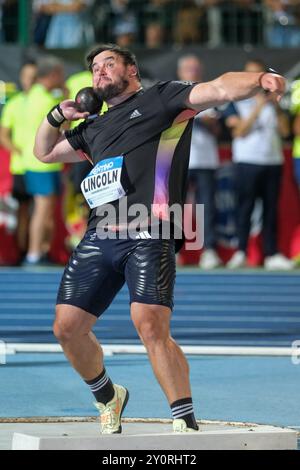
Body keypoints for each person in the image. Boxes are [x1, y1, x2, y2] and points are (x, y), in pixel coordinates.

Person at [34, 44, 285, 434]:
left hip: (151, 229)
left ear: (131, 70)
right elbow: (44, 153)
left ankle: (183, 419)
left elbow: (219, 89)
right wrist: (56, 115)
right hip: (102, 232)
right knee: (66, 327)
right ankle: (107, 396)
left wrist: (259, 79)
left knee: (149, 322)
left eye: (108, 64)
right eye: (94, 68)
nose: (99, 72)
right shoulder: (92, 128)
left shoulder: (162, 98)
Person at [225, 59, 293, 270]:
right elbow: (238, 132)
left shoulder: (275, 102)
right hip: (247, 161)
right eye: (248, 74)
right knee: (244, 208)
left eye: (257, 74)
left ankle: (271, 254)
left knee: (271, 210)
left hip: (272, 161)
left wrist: (276, 107)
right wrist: (258, 107)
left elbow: (285, 132)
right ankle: (241, 251)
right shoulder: (235, 101)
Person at [177, 54, 222, 269]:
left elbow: (219, 130)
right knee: (174, 208)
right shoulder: (173, 94)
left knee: (207, 207)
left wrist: (206, 120)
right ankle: (171, 250)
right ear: (180, 72)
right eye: (188, 68)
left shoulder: (210, 93)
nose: (192, 72)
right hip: (179, 161)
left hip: (205, 161)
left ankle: (209, 250)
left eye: (195, 68)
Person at [23, 56, 65, 265]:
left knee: (43, 210)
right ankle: (34, 252)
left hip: (32, 162)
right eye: (60, 74)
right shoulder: (48, 101)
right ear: (53, 75)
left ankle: (39, 250)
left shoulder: (30, 97)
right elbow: (64, 131)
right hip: (43, 164)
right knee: (42, 210)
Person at [0, 61, 37, 261]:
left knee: (43, 210)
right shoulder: (14, 104)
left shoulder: (45, 100)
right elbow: (3, 135)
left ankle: (36, 250)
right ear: (21, 78)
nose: (29, 81)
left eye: (33, 76)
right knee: (23, 211)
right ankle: (23, 250)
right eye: (26, 76)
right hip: (21, 167)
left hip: (43, 166)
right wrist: (20, 152)